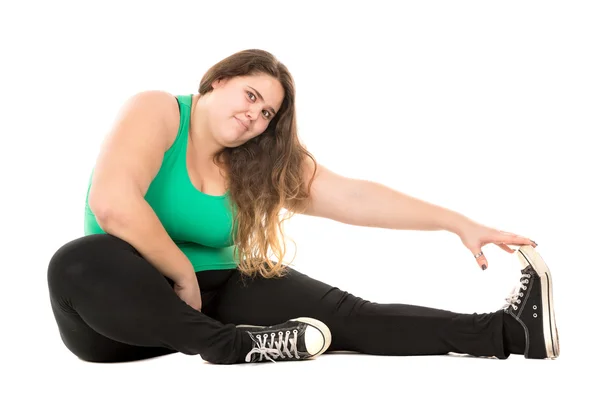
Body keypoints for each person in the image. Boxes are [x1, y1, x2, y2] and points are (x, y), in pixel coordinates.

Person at [46, 49, 560, 364]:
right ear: (217, 81)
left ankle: (508, 333)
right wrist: (181, 276)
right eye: (249, 95)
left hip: (215, 295)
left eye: (267, 112)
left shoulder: (256, 162)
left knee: (352, 317)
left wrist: (459, 224)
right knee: (78, 259)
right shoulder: (158, 110)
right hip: (116, 316)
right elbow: (112, 204)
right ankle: (230, 345)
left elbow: (354, 196)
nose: (254, 116)